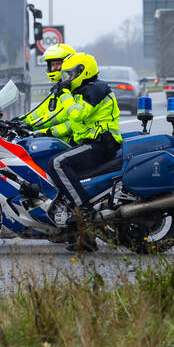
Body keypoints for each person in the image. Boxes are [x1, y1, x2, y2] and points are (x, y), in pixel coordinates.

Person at [47, 51, 123, 252]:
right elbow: (73, 125)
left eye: (70, 75)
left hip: (101, 145)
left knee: (58, 163)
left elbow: (78, 114)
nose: (68, 79)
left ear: (83, 71)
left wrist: (64, 95)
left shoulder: (96, 89)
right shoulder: (85, 91)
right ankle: (74, 229)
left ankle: (86, 215)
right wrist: (44, 133)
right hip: (91, 143)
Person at [23, 43, 76, 139]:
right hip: (58, 141)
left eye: (58, 64)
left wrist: (45, 133)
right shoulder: (57, 89)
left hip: (70, 143)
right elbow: (41, 112)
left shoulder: (74, 90)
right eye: (52, 65)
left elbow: (69, 120)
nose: (54, 68)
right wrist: (20, 121)